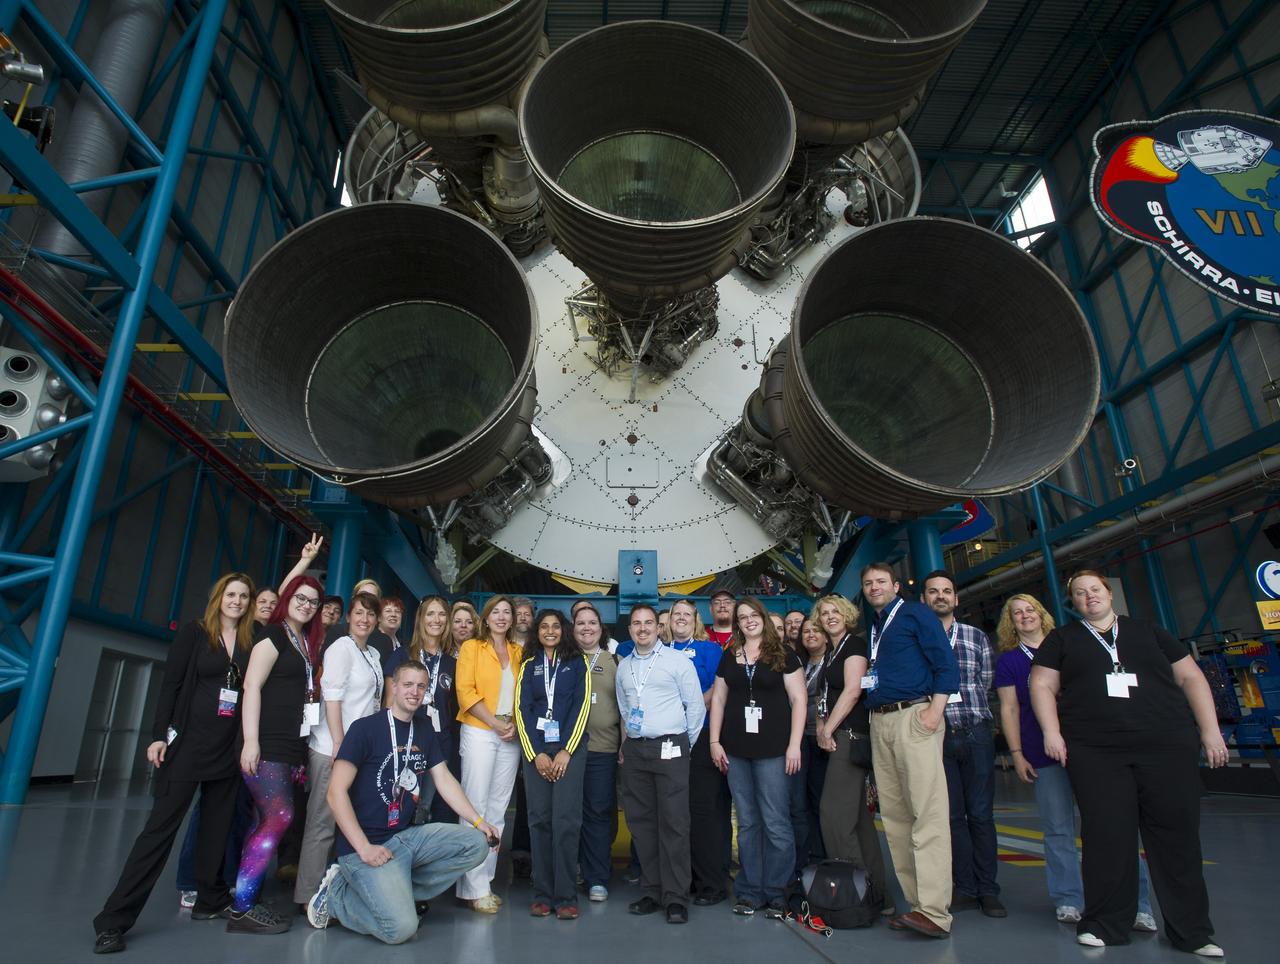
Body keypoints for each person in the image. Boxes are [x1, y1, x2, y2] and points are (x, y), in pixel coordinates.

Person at [1030, 570, 1227, 955]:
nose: (1089, 597)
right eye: (1080, 593)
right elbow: (1041, 684)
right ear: (1073, 603)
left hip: (1166, 747)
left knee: (1177, 838)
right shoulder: (1062, 639)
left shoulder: (1150, 632)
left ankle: (1193, 932)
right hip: (1097, 752)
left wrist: (1210, 731)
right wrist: (1052, 733)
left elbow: (1191, 678)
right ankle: (1104, 924)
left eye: (1095, 589)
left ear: (1109, 593)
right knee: (1107, 835)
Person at [92, 574, 256, 955]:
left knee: (217, 830)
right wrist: (157, 734)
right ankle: (112, 921)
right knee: (159, 832)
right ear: (219, 598)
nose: (237, 601)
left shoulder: (251, 639)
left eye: (244, 596)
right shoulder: (196, 633)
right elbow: (172, 685)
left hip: (227, 750)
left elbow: (278, 606)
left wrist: (303, 565)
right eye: (231, 594)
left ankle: (210, 900)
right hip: (188, 747)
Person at [305, 661, 499, 943]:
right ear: (394, 687)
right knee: (401, 929)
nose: (414, 692)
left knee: (476, 844)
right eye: (407, 684)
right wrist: (364, 848)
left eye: (421, 686)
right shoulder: (365, 729)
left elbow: (444, 779)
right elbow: (335, 793)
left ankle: (397, 892)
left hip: (405, 837)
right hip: (364, 846)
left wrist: (479, 822)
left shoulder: (424, 729)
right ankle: (336, 898)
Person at [993, 594, 1157, 929]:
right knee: (1057, 830)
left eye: (1030, 610)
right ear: (1010, 622)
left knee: (1114, 826)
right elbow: (1009, 709)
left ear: (1042, 615)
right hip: (1042, 753)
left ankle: (1137, 902)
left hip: (1090, 749)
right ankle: (1068, 899)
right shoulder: (1009, 661)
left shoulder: (1070, 645)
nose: (1025, 616)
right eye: (1017, 613)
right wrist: (1017, 753)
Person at [861, 562, 959, 939]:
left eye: (881, 582)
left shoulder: (916, 613)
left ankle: (936, 911)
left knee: (927, 813)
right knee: (897, 817)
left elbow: (944, 663)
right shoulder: (876, 625)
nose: (874, 588)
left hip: (914, 715)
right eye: (868, 583)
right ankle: (918, 905)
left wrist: (934, 711)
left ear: (896, 585)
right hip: (881, 720)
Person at [230, 574, 326, 934]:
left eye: (312, 602)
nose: (306, 605)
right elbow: (251, 685)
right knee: (279, 816)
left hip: (289, 745)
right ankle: (241, 907)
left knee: (265, 821)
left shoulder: (302, 641)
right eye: (300, 598)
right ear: (288, 599)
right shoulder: (272, 636)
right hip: (266, 744)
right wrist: (250, 741)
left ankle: (246, 897)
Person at [709, 596, 805, 918]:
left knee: (775, 822)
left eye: (754, 615)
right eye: (743, 617)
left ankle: (778, 892)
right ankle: (750, 891)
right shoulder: (729, 657)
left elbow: (799, 701)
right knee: (748, 823)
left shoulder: (784, 656)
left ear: (763, 617)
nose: (749, 620)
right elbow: (719, 701)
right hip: (736, 752)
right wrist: (714, 741)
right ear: (737, 623)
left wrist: (794, 745)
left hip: (774, 751)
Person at [921, 571, 1005, 918]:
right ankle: (965, 887)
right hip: (937, 734)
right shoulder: (918, 640)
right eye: (933, 592)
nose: (940, 596)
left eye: (946, 592)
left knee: (981, 815)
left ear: (955, 599)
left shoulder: (976, 637)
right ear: (924, 600)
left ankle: (989, 889)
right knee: (952, 816)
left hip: (975, 730)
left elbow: (985, 680)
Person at [293, 591, 383, 910]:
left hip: (358, 751)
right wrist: (339, 743)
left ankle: (334, 888)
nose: (364, 619)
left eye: (370, 614)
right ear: (349, 617)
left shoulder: (372, 653)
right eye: (359, 612)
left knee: (347, 821)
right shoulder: (340, 649)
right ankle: (307, 896)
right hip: (333, 748)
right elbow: (332, 699)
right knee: (322, 823)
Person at [615, 604, 706, 924]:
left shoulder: (677, 661)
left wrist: (685, 745)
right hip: (637, 751)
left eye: (648, 623)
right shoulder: (624, 667)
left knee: (674, 823)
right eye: (636, 624)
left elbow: (695, 708)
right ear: (629, 630)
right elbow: (625, 708)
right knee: (642, 823)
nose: (642, 628)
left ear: (658, 627)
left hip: (672, 747)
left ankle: (676, 896)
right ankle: (653, 890)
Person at [812, 594, 890, 914]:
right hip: (841, 735)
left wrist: (827, 729)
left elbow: (853, 690)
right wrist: (823, 727)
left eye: (836, 611)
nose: (830, 616)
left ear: (847, 615)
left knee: (833, 816)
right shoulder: (832, 651)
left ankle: (855, 891)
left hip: (848, 736)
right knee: (858, 821)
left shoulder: (854, 645)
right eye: (824, 612)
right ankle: (876, 894)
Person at [515, 610, 592, 918]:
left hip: (569, 751)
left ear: (565, 630)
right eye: (544, 626)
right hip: (537, 750)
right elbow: (522, 708)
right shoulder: (529, 664)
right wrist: (536, 754)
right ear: (537, 631)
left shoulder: (578, 663)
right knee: (539, 819)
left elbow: (581, 706)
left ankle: (565, 897)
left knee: (566, 821)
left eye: (555, 626)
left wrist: (566, 751)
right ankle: (542, 894)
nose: (549, 631)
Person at [454, 595, 524, 911]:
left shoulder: (518, 652)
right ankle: (471, 887)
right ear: (486, 616)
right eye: (495, 611)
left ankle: (486, 882)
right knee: (475, 807)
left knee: (497, 809)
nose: (501, 616)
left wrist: (512, 727)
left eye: (506, 612)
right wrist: (495, 723)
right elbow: (465, 691)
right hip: (481, 731)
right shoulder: (472, 648)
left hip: (510, 736)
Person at [385, 595, 461, 822]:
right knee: (403, 805)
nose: (436, 619)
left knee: (429, 808)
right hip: (407, 742)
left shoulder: (451, 663)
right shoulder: (403, 654)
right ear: (421, 619)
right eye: (430, 613)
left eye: (441, 614)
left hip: (440, 743)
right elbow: (389, 702)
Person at [573, 604, 621, 902]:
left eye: (592, 623)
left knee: (598, 813)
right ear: (573, 628)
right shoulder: (562, 659)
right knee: (568, 813)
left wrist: (625, 743)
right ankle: (571, 869)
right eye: (581, 623)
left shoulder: (615, 661)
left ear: (601, 629)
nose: (587, 628)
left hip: (602, 749)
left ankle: (596, 877)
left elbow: (627, 705)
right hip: (567, 751)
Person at [791, 617, 828, 870]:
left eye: (816, 630)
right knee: (802, 802)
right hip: (803, 739)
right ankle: (810, 858)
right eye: (806, 631)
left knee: (822, 801)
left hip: (825, 739)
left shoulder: (833, 663)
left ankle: (826, 858)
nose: (810, 634)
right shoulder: (801, 665)